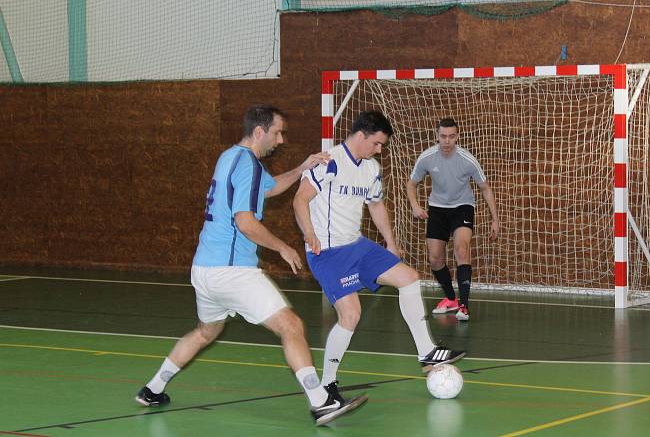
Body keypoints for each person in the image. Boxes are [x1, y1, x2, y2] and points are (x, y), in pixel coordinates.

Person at [134, 105, 366, 426]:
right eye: (277, 132)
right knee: (292, 327)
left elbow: (269, 188)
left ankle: (152, 389)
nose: (281, 140)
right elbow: (245, 222)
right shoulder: (250, 166)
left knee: (206, 331)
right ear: (260, 132)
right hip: (232, 270)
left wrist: (301, 168)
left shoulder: (229, 157)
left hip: (204, 269)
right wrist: (283, 246)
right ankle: (321, 401)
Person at [293, 110, 465, 396]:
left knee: (409, 277)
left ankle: (427, 352)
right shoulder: (329, 161)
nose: (379, 149)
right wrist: (309, 233)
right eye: (376, 143)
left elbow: (375, 205)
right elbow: (300, 200)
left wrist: (390, 242)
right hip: (328, 251)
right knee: (351, 315)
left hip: (357, 245)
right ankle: (327, 384)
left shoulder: (371, 168)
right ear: (361, 135)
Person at [405, 118, 499, 321]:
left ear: (457, 136)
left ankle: (464, 306)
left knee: (461, 249)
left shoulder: (468, 159)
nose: (447, 141)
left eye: (451, 136)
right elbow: (411, 184)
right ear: (437, 136)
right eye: (443, 136)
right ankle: (450, 299)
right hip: (437, 208)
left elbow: (485, 188)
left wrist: (495, 219)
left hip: (462, 207)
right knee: (435, 258)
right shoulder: (427, 157)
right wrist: (415, 205)